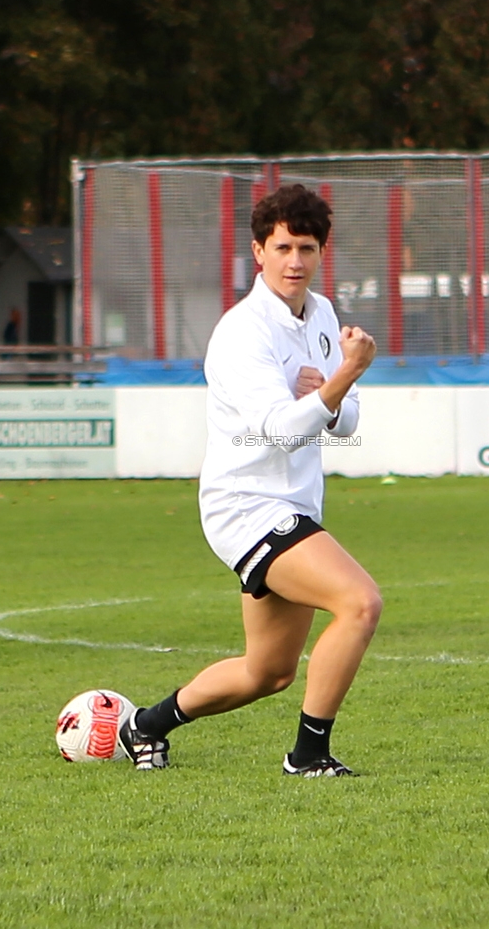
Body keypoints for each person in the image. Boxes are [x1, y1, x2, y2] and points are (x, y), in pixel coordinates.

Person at [119, 184, 382, 777]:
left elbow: (348, 421)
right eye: (283, 247)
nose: (295, 261)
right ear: (258, 251)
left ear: (320, 253)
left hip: (294, 505)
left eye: (307, 249)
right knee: (360, 602)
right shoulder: (243, 332)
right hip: (246, 505)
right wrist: (347, 375)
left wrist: (336, 390)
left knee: (269, 672)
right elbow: (282, 432)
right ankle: (308, 756)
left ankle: (145, 725)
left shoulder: (322, 314)